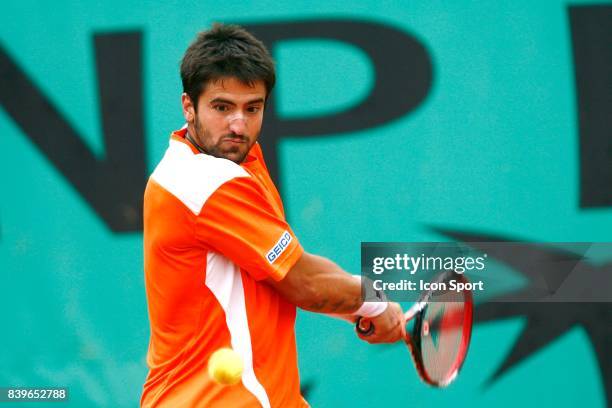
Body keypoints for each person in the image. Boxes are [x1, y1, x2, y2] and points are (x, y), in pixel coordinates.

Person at [141, 23, 405, 408]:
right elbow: (304, 284)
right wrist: (375, 302)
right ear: (188, 106)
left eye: (252, 108)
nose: (238, 124)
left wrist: (359, 305)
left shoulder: (235, 160)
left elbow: (293, 265)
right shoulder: (205, 181)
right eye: (221, 107)